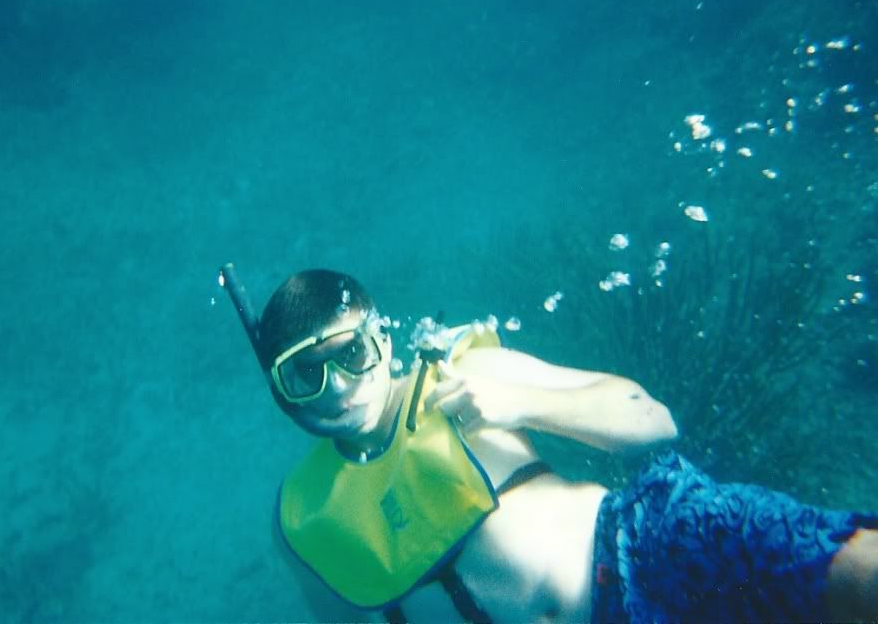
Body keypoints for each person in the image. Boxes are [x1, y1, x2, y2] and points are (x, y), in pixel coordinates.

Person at [221, 265, 878, 623]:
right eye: (305, 374)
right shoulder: (301, 520)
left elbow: (652, 419)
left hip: (646, 546)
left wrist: (522, 403)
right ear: (280, 390)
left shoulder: (458, 373)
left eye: (353, 354)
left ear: (383, 342)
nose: (337, 386)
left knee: (850, 569)